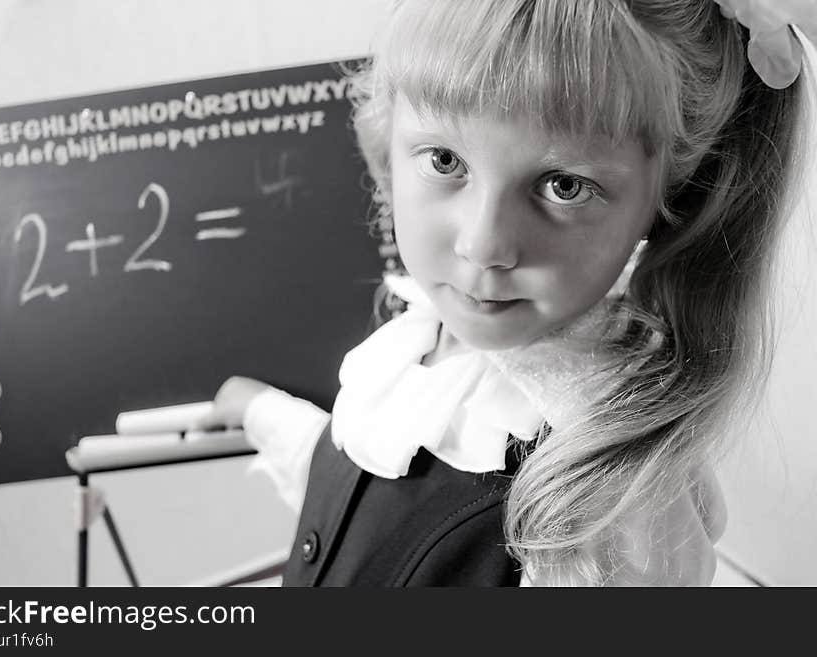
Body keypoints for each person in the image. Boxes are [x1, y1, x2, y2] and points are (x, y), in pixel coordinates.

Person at [194, 0, 814, 585]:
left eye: (564, 186)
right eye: (444, 160)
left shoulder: (612, 508)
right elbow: (379, 484)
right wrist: (257, 411)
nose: (483, 244)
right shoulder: (417, 347)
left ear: (670, 202)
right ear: (388, 142)